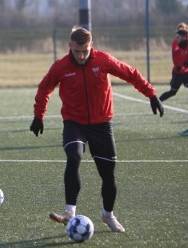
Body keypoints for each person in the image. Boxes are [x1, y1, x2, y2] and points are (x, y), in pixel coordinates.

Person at [30, 26, 165, 233]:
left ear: (91, 45)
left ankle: (108, 215)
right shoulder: (61, 66)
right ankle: (69, 212)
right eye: (77, 51)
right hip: (74, 123)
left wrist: (151, 94)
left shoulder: (103, 60)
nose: (81, 55)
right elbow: (44, 88)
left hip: (102, 125)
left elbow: (130, 73)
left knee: (108, 176)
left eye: (85, 51)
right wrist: (39, 116)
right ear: (70, 46)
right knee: (74, 157)